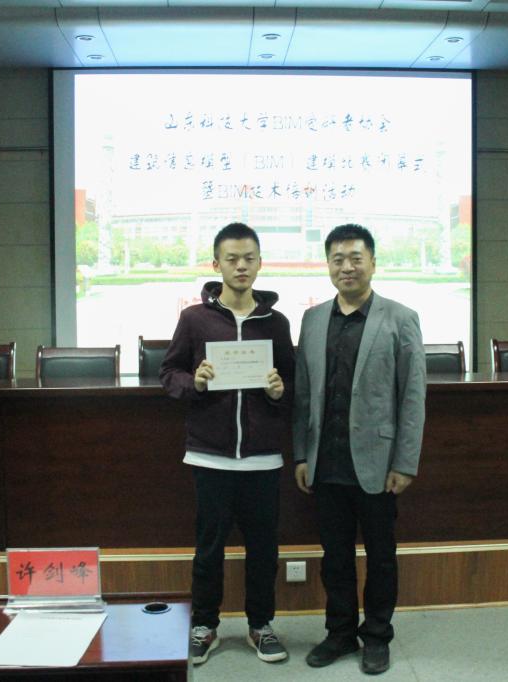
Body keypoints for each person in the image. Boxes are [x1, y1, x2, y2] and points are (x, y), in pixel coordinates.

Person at [293, 224, 426, 675]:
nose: (346, 267)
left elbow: (412, 396)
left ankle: (377, 636)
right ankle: (340, 633)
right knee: (334, 558)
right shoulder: (313, 320)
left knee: (381, 557)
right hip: (326, 461)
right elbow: (304, 395)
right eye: (338, 259)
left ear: (372, 262)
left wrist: (405, 462)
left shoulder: (400, 318)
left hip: (378, 463)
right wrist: (301, 454)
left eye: (355, 258)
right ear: (328, 265)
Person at [160, 222, 295, 666]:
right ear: (216, 264)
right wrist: (194, 382)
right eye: (232, 259)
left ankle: (261, 625)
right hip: (210, 454)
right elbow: (169, 374)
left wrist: (279, 391)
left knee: (264, 550)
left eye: (249, 258)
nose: (241, 266)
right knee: (208, 549)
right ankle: (205, 626)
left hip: (262, 458)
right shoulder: (194, 319)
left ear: (260, 263)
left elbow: (293, 383)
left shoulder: (276, 322)